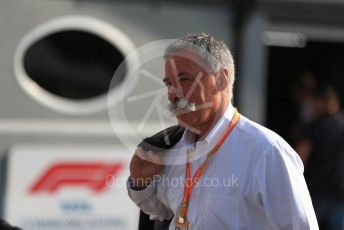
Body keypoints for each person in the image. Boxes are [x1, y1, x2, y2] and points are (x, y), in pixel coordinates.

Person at [127, 33, 318, 230]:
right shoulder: (172, 147)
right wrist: (140, 182)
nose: (173, 94)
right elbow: (163, 212)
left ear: (221, 80)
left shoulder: (266, 151)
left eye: (184, 80)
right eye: (169, 83)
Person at [295, 85, 344, 230]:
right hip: (339, 192)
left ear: (320, 102)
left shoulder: (313, 127)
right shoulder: (342, 125)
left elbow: (299, 159)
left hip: (316, 191)